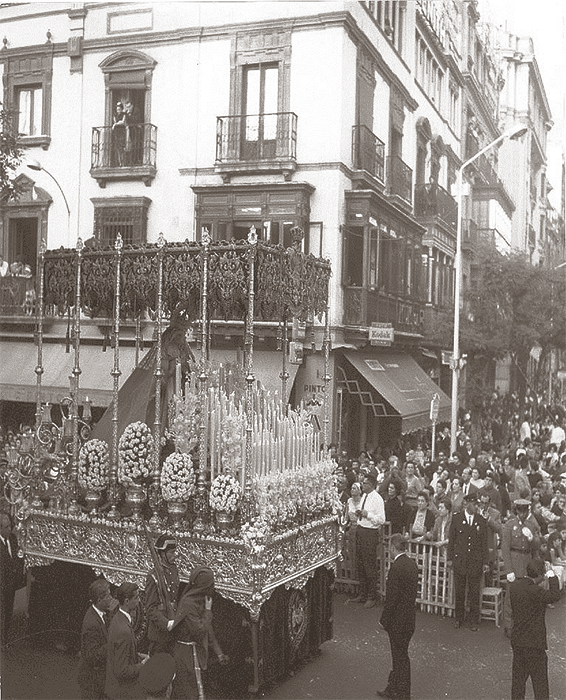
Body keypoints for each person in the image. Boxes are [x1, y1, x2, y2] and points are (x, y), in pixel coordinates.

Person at [170, 566, 228, 700]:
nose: (213, 587)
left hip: (194, 651)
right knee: (190, 693)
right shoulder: (188, 604)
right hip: (187, 654)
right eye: (211, 584)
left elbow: (208, 628)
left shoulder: (200, 600)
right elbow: (200, 631)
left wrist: (219, 653)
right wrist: (208, 611)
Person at [509, 558, 561, 700]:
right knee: (540, 685)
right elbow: (555, 595)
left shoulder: (514, 587)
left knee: (518, 682)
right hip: (534, 644)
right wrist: (551, 574)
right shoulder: (536, 591)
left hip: (518, 641)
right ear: (539, 575)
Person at [377, 533, 419, 700]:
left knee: (400, 658)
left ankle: (402, 694)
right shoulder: (412, 565)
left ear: (393, 548)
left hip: (398, 622)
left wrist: (383, 621)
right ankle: (393, 689)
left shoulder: (396, 568)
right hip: (409, 620)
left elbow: (391, 599)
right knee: (400, 655)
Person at [447, 492, 489, 631]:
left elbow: (484, 543)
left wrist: (485, 562)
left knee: (474, 592)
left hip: (475, 562)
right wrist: (450, 559)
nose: (477, 507)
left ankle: (473, 620)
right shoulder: (457, 518)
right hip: (460, 561)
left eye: (477, 504)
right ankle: (459, 618)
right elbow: (452, 540)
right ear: (467, 504)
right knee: (459, 591)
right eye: (475, 504)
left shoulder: (481, 520)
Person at [502, 498, 541, 636]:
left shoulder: (531, 525)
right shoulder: (509, 524)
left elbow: (537, 546)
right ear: (516, 510)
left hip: (526, 563)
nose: (522, 514)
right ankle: (509, 625)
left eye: (525, 511)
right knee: (510, 596)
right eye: (520, 510)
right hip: (514, 560)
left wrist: (532, 539)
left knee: (526, 596)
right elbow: (505, 548)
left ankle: (522, 625)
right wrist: (509, 570)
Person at [349, 472, 386, 608]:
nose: (362, 485)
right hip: (361, 529)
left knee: (369, 565)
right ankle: (362, 593)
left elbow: (381, 519)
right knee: (360, 563)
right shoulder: (364, 496)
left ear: (371, 485)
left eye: (364, 483)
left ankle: (372, 596)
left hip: (370, 533)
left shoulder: (378, 499)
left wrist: (368, 515)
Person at [106, 582, 148, 700]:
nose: (139, 601)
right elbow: (122, 671)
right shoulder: (123, 631)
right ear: (126, 601)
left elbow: (120, 653)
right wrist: (142, 665)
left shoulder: (117, 619)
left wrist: (138, 655)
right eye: (136, 598)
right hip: (122, 693)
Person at [78, 579, 118, 700]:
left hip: (98, 681)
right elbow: (92, 656)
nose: (111, 598)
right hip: (92, 683)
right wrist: (112, 643)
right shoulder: (91, 623)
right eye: (108, 595)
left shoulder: (102, 613)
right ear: (99, 600)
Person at [145, 535, 180, 656]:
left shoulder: (173, 570)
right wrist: (166, 623)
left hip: (173, 630)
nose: (174, 555)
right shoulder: (153, 577)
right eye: (171, 552)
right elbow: (150, 609)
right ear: (162, 554)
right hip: (159, 635)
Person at [0, 512, 22, 646]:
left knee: (8, 612)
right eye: (6, 527)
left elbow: (17, 557)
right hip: (1, 583)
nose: (10, 529)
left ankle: (5, 637)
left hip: (11, 584)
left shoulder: (13, 539)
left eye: (10, 526)